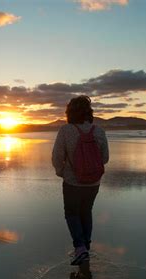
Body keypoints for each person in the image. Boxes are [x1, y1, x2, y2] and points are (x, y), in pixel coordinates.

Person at [52, 95, 109, 265]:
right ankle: (86, 247)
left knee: (71, 213)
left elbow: (57, 157)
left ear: (70, 112)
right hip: (93, 182)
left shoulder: (66, 130)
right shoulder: (99, 130)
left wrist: (62, 172)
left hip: (72, 181)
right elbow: (104, 158)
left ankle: (80, 248)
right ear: (89, 112)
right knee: (86, 211)